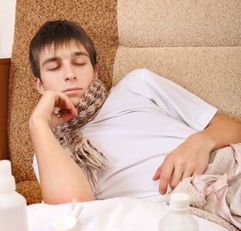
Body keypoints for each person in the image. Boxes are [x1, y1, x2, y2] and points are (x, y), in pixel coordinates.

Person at [29, 20, 241, 205]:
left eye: (79, 63)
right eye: (54, 68)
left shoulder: (137, 85)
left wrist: (201, 142)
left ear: (95, 72)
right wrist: (39, 122)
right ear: (39, 85)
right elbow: (75, 209)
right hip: (170, 214)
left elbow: (234, 129)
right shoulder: (47, 149)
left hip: (226, 172)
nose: (70, 74)